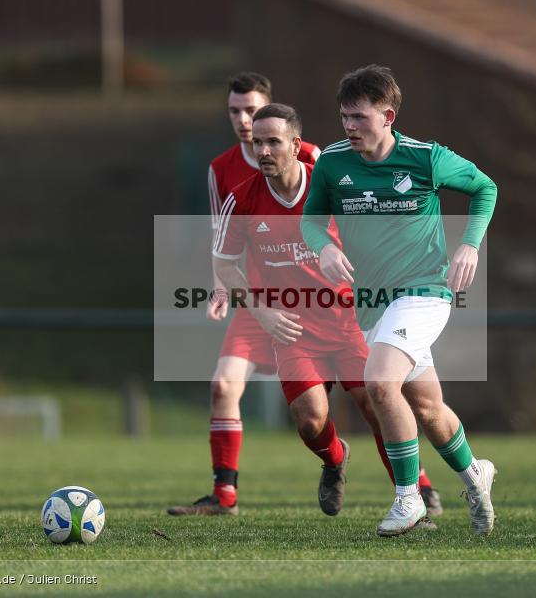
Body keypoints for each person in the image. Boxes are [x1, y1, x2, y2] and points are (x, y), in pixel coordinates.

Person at [212, 103, 436, 523]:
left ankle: (413, 501)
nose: (263, 150)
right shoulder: (241, 199)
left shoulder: (334, 188)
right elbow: (224, 264)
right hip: (293, 329)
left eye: (273, 141)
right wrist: (261, 313)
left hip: (351, 322)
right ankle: (335, 460)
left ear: (296, 146)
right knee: (310, 420)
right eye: (257, 142)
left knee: (375, 405)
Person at [301, 64, 498, 537]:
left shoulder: (425, 157)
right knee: (427, 407)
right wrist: (324, 247)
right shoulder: (331, 162)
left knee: (379, 384)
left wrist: (469, 244)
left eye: (359, 117)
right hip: (371, 303)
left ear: (387, 115)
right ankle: (475, 475)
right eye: (344, 117)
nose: (349, 126)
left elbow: (484, 187)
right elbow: (310, 221)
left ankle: (408, 499)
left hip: (424, 291)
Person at [167, 73, 319, 516]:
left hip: (321, 304)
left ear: (270, 110)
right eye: (234, 111)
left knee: (372, 394)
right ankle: (224, 496)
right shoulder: (221, 170)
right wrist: (220, 289)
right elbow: (223, 242)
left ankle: (419, 485)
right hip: (258, 304)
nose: (243, 120)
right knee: (222, 385)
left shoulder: (312, 159)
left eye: (251, 110)